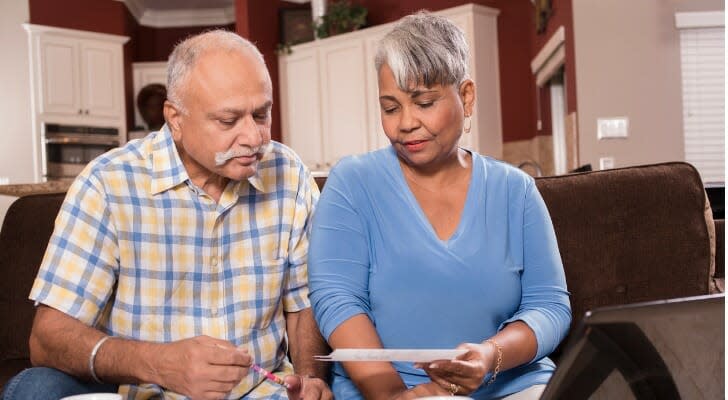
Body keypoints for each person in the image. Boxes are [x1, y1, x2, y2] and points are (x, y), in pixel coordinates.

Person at [1, 30, 332, 400]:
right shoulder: (108, 184)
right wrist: (159, 363)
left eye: (261, 114)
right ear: (175, 118)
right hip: (140, 393)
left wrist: (308, 379)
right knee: (36, 388)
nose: (254, 138)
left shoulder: (289, 174)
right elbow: (48, 338)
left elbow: (305, 305)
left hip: (262, 393)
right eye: (228, 120)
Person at [308, 11, 571, 400]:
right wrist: (395, 395)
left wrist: (489, 356)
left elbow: (549, 306)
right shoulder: (352, 182)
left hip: (511, 385)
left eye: (424, 102)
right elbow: (336, 300)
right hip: (386, 390)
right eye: (391, 107)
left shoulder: (517, 191)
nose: (406, 123)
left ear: (466, 96)